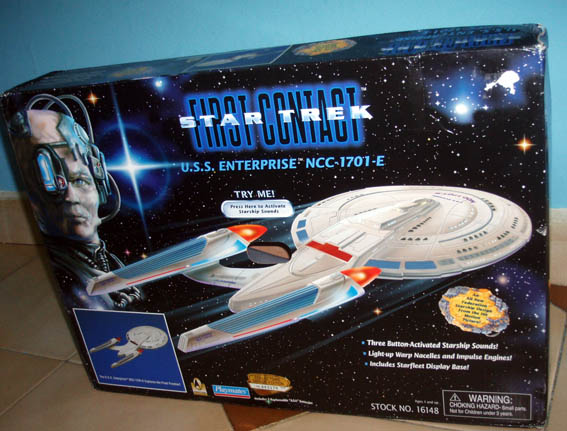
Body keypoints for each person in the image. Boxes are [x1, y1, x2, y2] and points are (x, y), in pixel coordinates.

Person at [8, 95, 141, 309]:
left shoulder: (110, 263)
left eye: (79, 180)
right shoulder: (72, 286)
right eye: (51, 186)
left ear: (99, 183)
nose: (70, 197)